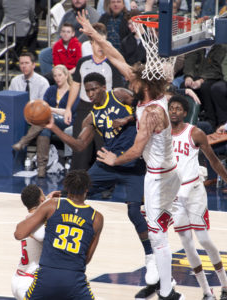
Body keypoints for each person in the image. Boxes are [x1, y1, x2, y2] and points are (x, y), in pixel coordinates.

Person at [74, 11, 184, 299]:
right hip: (162, 170)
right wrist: (94, 35)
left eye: (132, 78)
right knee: (157, 229)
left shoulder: (150, 112)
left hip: (160, 176)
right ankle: (162, 283)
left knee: (158, 234)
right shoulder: (146, 93)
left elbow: (135, 150)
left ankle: (166, 291)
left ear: (143, 84)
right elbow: (113, 55)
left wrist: (114, 159)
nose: (127, 79)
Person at [46, 72, 160, 298]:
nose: (90, 94)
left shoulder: (119, 95)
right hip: (108, 162)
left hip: (132, 162)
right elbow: (79, 145)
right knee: (70, 196)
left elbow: (145, 108)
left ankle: (151, 258)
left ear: (104, 87)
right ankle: (59, 252)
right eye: (87, 91)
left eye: (94, 89)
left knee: (134, 211)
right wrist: (54, 128)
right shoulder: (91, 117)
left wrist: (126, 119)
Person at [169, 95, 227, 300]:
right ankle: (206, 291)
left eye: (178, 108)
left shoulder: (195, 133)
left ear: (185, 113)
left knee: (203, 239)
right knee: (186, 244)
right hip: (175, 195)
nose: (174, 111)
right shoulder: (163, 135)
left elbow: (213, 160)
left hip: (194, 191)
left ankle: (225, 284)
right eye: (171, 108)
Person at [14, 170, 104, 300]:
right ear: (87, 188)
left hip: (46, 278)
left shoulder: (52, 205)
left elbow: (19, 233)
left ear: (66, 187)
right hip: (74, 279)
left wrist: (42, 207)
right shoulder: (97, 218)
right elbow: (87, 258)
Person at [64, 22, 124, 171]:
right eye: (96, 43)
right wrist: (68, 108)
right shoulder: (83, 62)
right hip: (85, 108)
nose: (100, 46)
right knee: (80, 149)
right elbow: (76, 85)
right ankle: (76, 182)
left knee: (104, 147)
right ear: (91, 44)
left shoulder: (112, 64)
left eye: (102, 42)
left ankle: (106, 185)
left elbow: (117, 91)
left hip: (105, 110)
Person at [12, 64, 79, 178]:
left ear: (66, 75)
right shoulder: (51, 89)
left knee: (44, 119)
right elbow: (43, 107)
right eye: (55, 76)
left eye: (60, 75)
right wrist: (50, 111)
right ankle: (42, 168)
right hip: (49, 122)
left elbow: (69, 111)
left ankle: (24, 142)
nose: (57, 78)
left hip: (67, 122)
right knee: (44, 130)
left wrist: (52, 109)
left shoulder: (73, 90)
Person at [11, 184, 61, 300]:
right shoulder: (37, 228)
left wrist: (47, 200)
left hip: (20, 278)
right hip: (29, 282)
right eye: (44, 195)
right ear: (41, 200)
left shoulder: (28, 222)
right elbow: (51, 239)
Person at [38, 0, 100, 75]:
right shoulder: (68, 14)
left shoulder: (92, 14)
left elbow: (89, 34)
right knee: (44, 55)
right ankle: (54, 80)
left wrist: (73, 45)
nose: (77, 1)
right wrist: (56, 41)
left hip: (82, 49)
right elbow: (60, 31)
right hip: (65, 47)